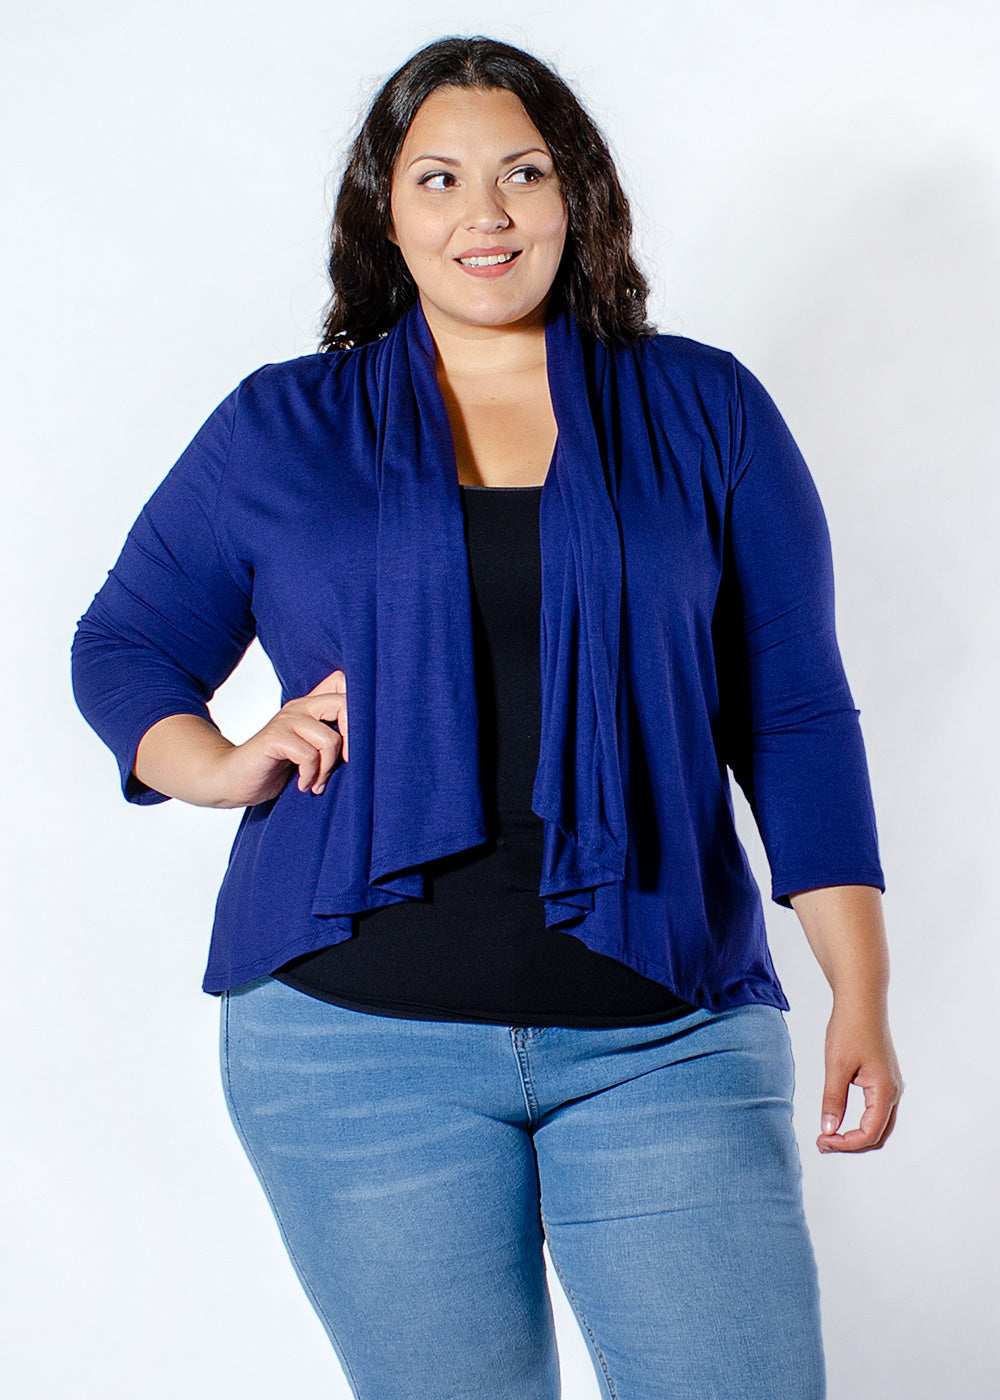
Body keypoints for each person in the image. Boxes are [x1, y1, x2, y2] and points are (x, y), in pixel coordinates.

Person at [71, 34, 903, 1400]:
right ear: (385, 211)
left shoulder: (705, 409)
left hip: (667, 1035)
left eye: (522, 172)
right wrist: (214, 765)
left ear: (576, 192)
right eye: (440, 178)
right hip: (351, 1049)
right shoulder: (284, 425)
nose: (487, 213)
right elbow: (126, 646)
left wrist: (860, 989)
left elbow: (795, 711)